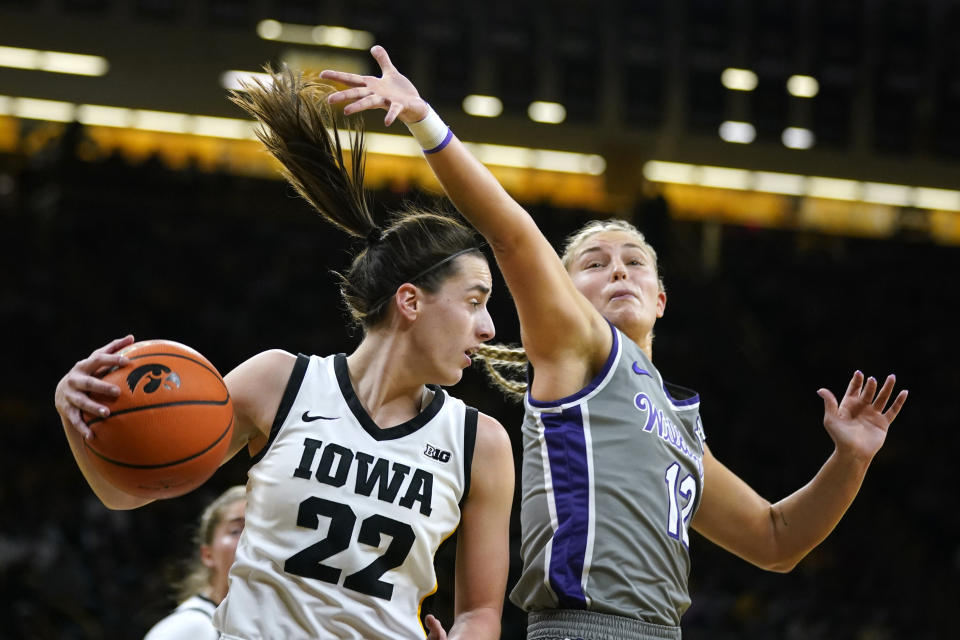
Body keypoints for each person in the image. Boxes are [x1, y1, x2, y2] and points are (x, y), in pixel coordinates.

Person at [319, 46, 909, 640]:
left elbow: (776, 541)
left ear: (660, 299)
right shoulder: (580, 348)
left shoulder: (679, 422)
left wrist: (850, 461)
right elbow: (514, 236)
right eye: (594, 264)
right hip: (585, 626)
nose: (619, 270)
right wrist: (427, 122)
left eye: (635, 262)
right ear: (562, 294)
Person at [53, 66, 514, 640]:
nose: (490, 328)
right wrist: (74, 418)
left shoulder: (482, 443)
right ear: (410, 301)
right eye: (475, 301)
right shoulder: (280, 382)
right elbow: (126, 493)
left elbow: (480, 614)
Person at [144, 485, 247, 640]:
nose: (250, 538)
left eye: (257, 530)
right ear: (208, 555)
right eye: (236, 530)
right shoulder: (190, 626)